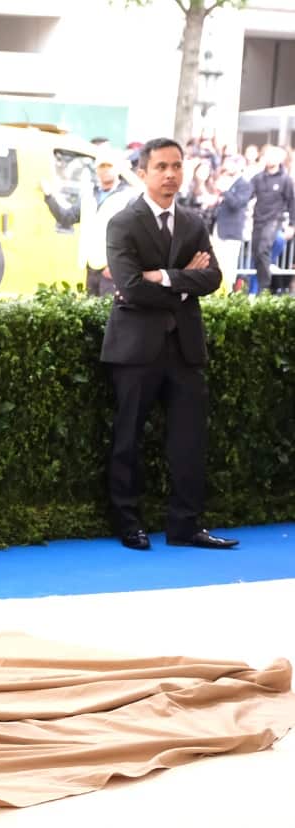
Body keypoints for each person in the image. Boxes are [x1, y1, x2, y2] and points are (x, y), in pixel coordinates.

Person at [102, 138, 237, 552]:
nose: (171, 174)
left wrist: (161, 277)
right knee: (128, 438)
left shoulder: (195, 223)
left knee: (189, 440)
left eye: (177, 166)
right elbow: (128, 287)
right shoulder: (123, 223)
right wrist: (182, 283)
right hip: (135, 348)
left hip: (185, 348)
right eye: (161, 167)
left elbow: (212, 278)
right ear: (143, 173)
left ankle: (186, 525)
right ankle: (128, 522)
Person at [42, 147, 137, 295]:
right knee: (90, 311)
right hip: (90, 266)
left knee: (108, 312)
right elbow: (66, 218)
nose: (105, 170)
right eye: (101, 166)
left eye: (109, 166)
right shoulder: (89, 195)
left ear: (118, 168)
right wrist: (49, 196)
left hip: (113, 269)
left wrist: (118, 265)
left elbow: (134, 237)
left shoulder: (129, 197)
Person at [248, 144, 295, 295]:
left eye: (273, 155)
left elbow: (292, 202)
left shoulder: (286, 179)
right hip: (258, 221)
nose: (270, 159)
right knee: (257, 256)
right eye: (267, 155)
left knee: (263, 251)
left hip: (274, 221)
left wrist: (292, 225)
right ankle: (257, 291)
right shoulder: (257, 178)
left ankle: (264, 286)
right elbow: (245, 197)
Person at [212, 154, 253, 293]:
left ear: (239, 166)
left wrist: (225, 191)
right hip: (218, 229)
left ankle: (227, 293)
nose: (227, 167)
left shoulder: (245, 185)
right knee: (216, 264)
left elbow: (237, 204)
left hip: (232, 232)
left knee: (228, 266)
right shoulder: (224, 181)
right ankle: (216, 293)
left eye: (230, 163)